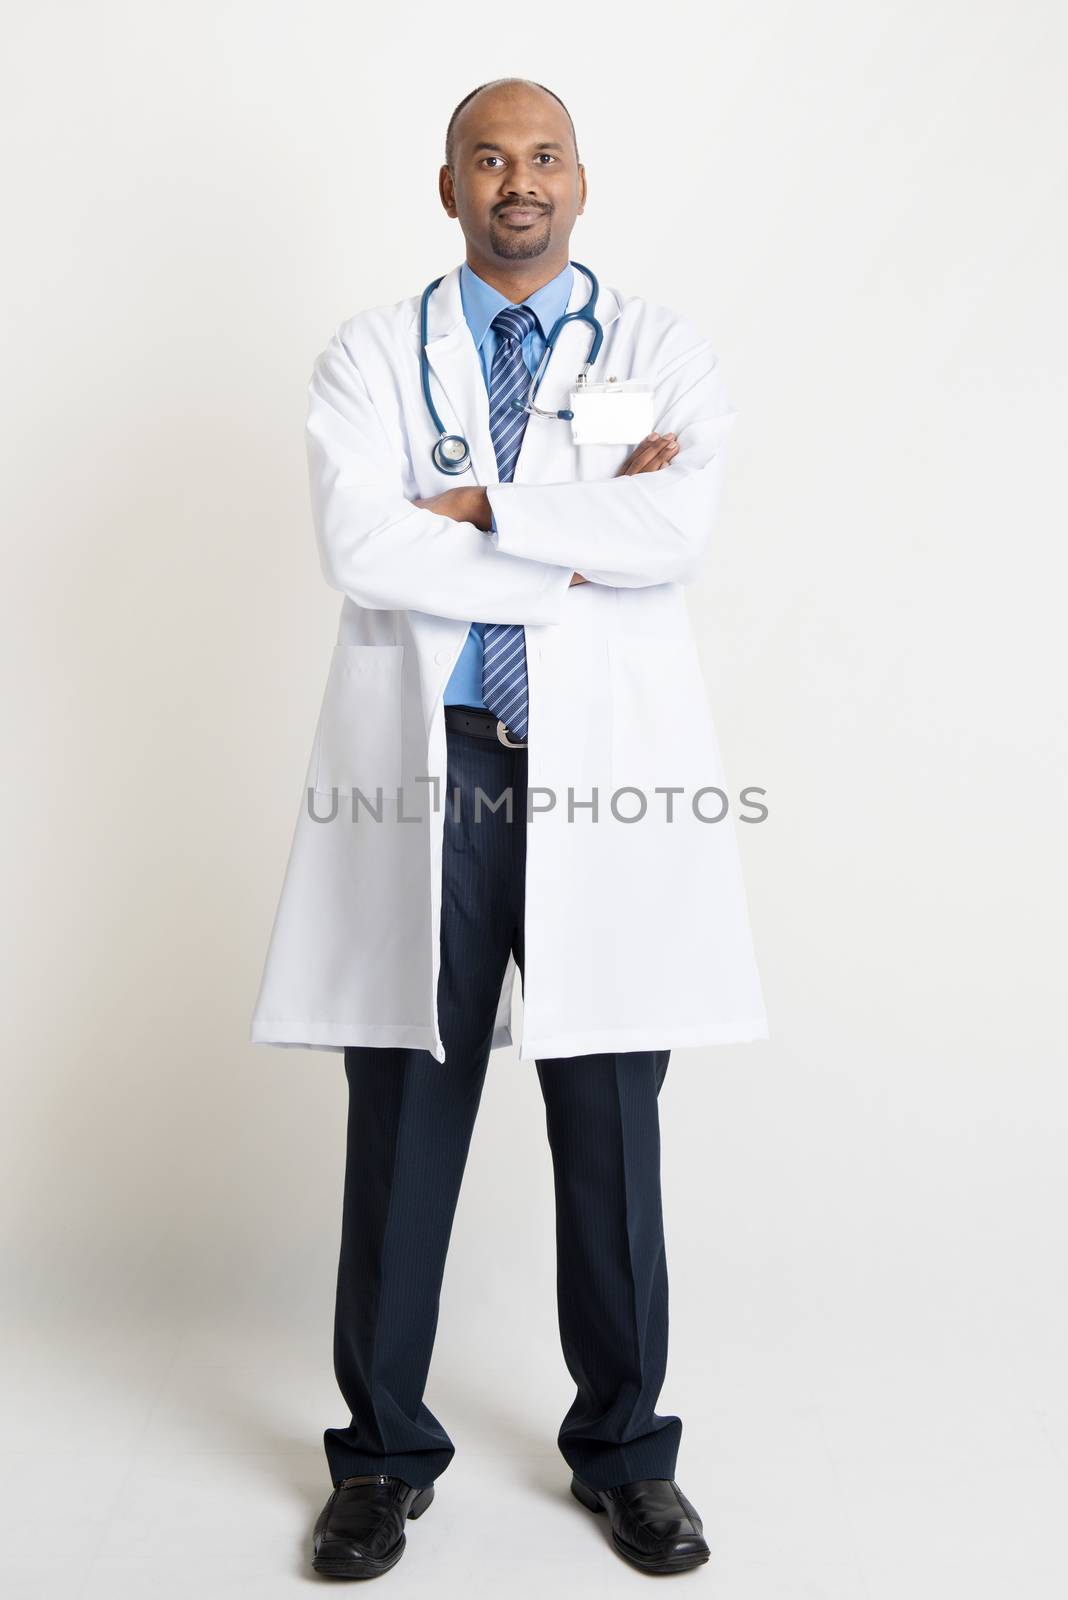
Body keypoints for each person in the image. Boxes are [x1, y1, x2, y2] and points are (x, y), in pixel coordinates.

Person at [251, 76, 768, 1579]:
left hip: (604, 779)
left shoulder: (661, 349)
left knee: (609, 1119)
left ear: (581, 185)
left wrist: (470, 513)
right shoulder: (368, 356)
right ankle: (382, 1459)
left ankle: (623, 1453)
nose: (518, 183)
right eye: (491, 158)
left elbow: (677, 535)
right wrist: (573, 536)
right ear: (449, 185)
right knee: (408, 1117)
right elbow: (362, 546)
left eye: (544, 159)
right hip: (442, 772)